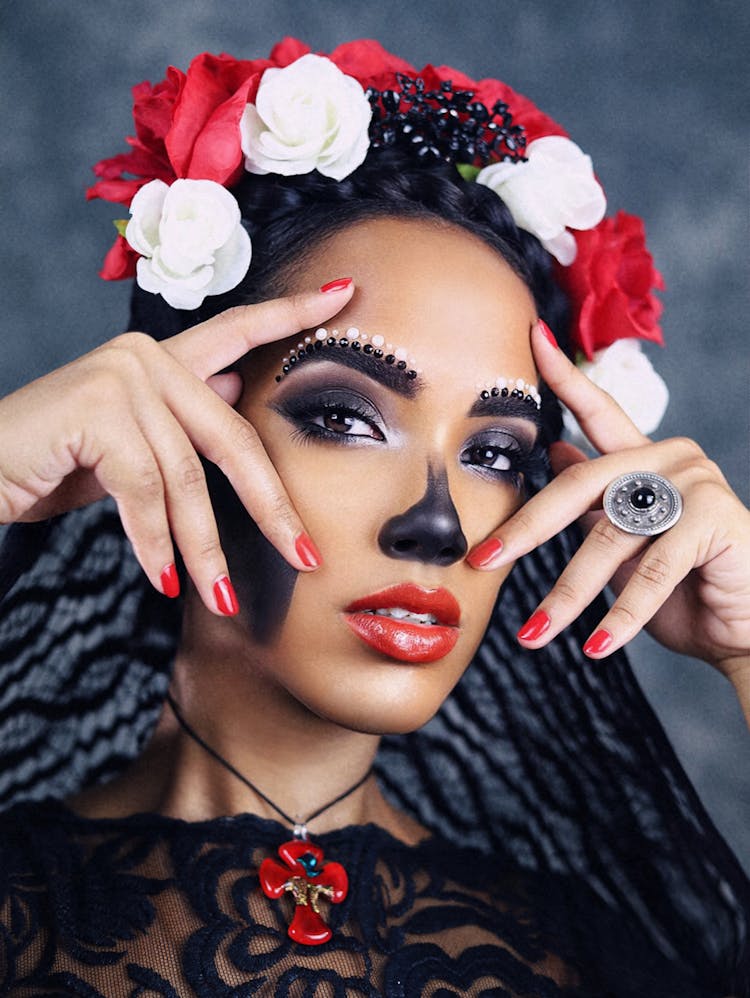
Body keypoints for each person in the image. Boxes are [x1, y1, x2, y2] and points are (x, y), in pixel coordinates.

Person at [0, 38, 748, 997]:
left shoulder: (585, 963)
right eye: (342, 417)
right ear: (179, 428)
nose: (438, 525)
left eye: (494, 454)